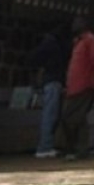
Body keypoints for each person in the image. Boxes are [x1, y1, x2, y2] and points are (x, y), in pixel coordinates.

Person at [60, 17, 94, 161]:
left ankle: (77, 149)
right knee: (77, 118)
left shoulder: (90, 40)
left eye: (77, 22)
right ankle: (77, 149)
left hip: (84, 85)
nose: (74, 25)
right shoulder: (79, 41)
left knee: (72, 117)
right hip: (74, 86)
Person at [29, 27, 69, 159]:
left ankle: (47, 145)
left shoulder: (49, 44)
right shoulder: (51, 44)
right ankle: (44, 147)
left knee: (51, 114)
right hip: (52, 81)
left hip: (51, 80)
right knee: (50, 115)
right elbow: (34, 59)